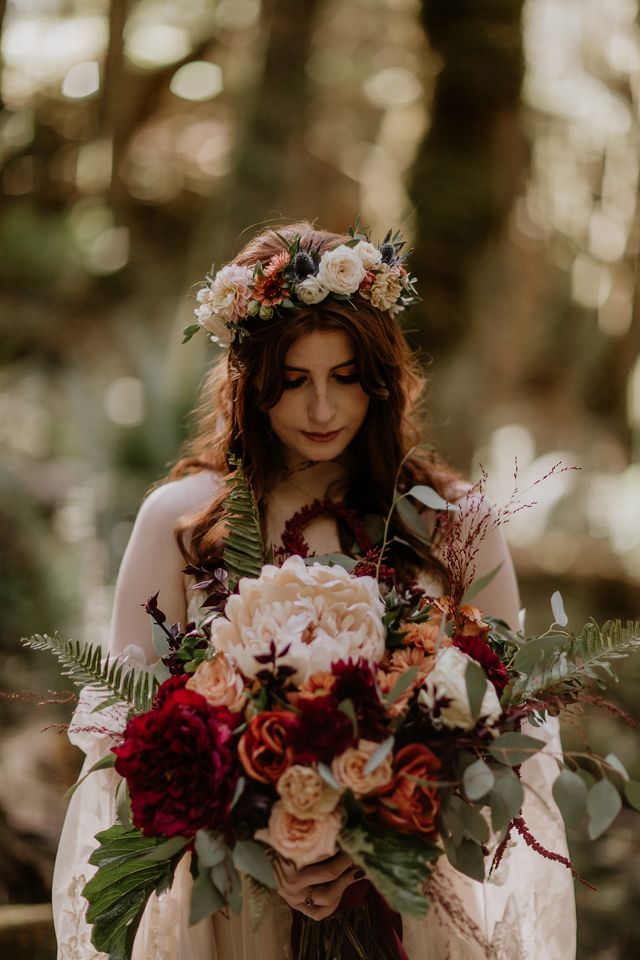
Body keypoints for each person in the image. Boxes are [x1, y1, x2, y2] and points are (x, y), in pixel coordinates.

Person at [52, 222, 576, 959]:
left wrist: (372, 842)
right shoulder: (180, 522)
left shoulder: (457, 522)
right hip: (230, 909)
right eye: (294, 381)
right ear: (248, 379)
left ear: (381, 378)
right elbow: (126, 748)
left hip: (410, 903)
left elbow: (513, 736)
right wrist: (272, 840)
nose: (323, 410)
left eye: (346, 377)